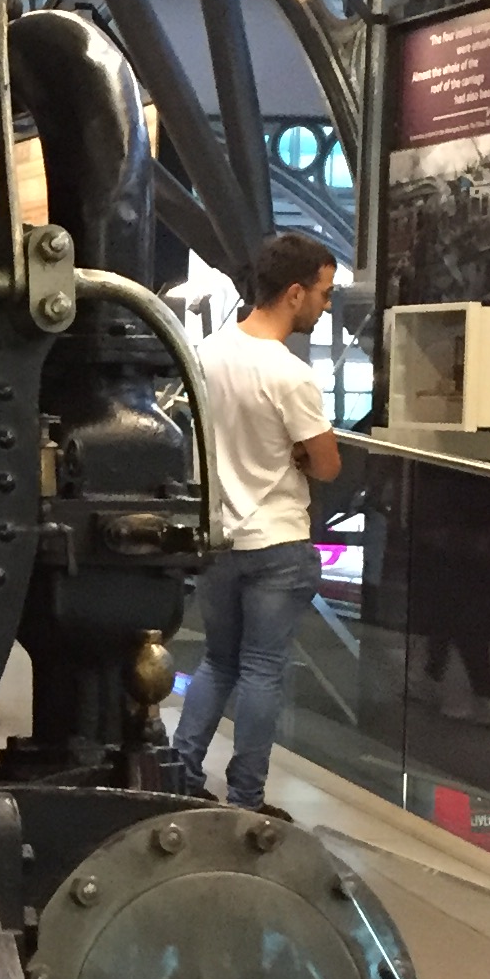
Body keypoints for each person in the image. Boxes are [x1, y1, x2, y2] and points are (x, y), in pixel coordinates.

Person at [173, 230, 342, 816]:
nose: (325, 307)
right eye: (323, 293)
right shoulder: (290, 374)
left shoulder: (207, 354)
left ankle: (181, 772)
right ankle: (246, 798)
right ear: (294, 293)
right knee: (262, 671)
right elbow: (327, 463)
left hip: (219, 538)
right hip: (277, 544)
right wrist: (296, 454)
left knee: (217, 662)